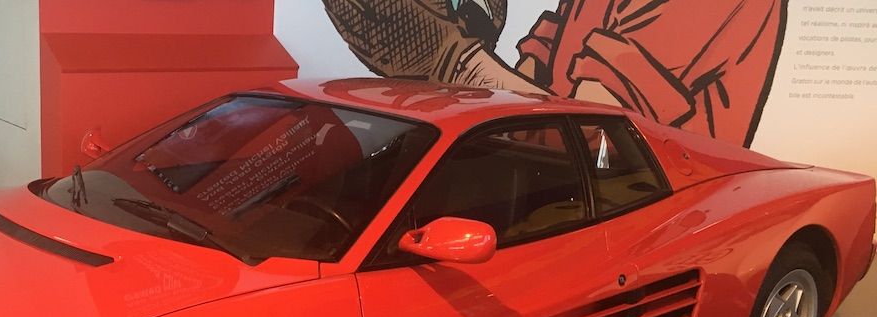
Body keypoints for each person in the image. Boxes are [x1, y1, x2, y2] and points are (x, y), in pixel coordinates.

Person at [323, 0, 789, 147]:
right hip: (558, 185)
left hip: (642, 207)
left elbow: (597, 127)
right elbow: (542, 65)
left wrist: (452, 61)